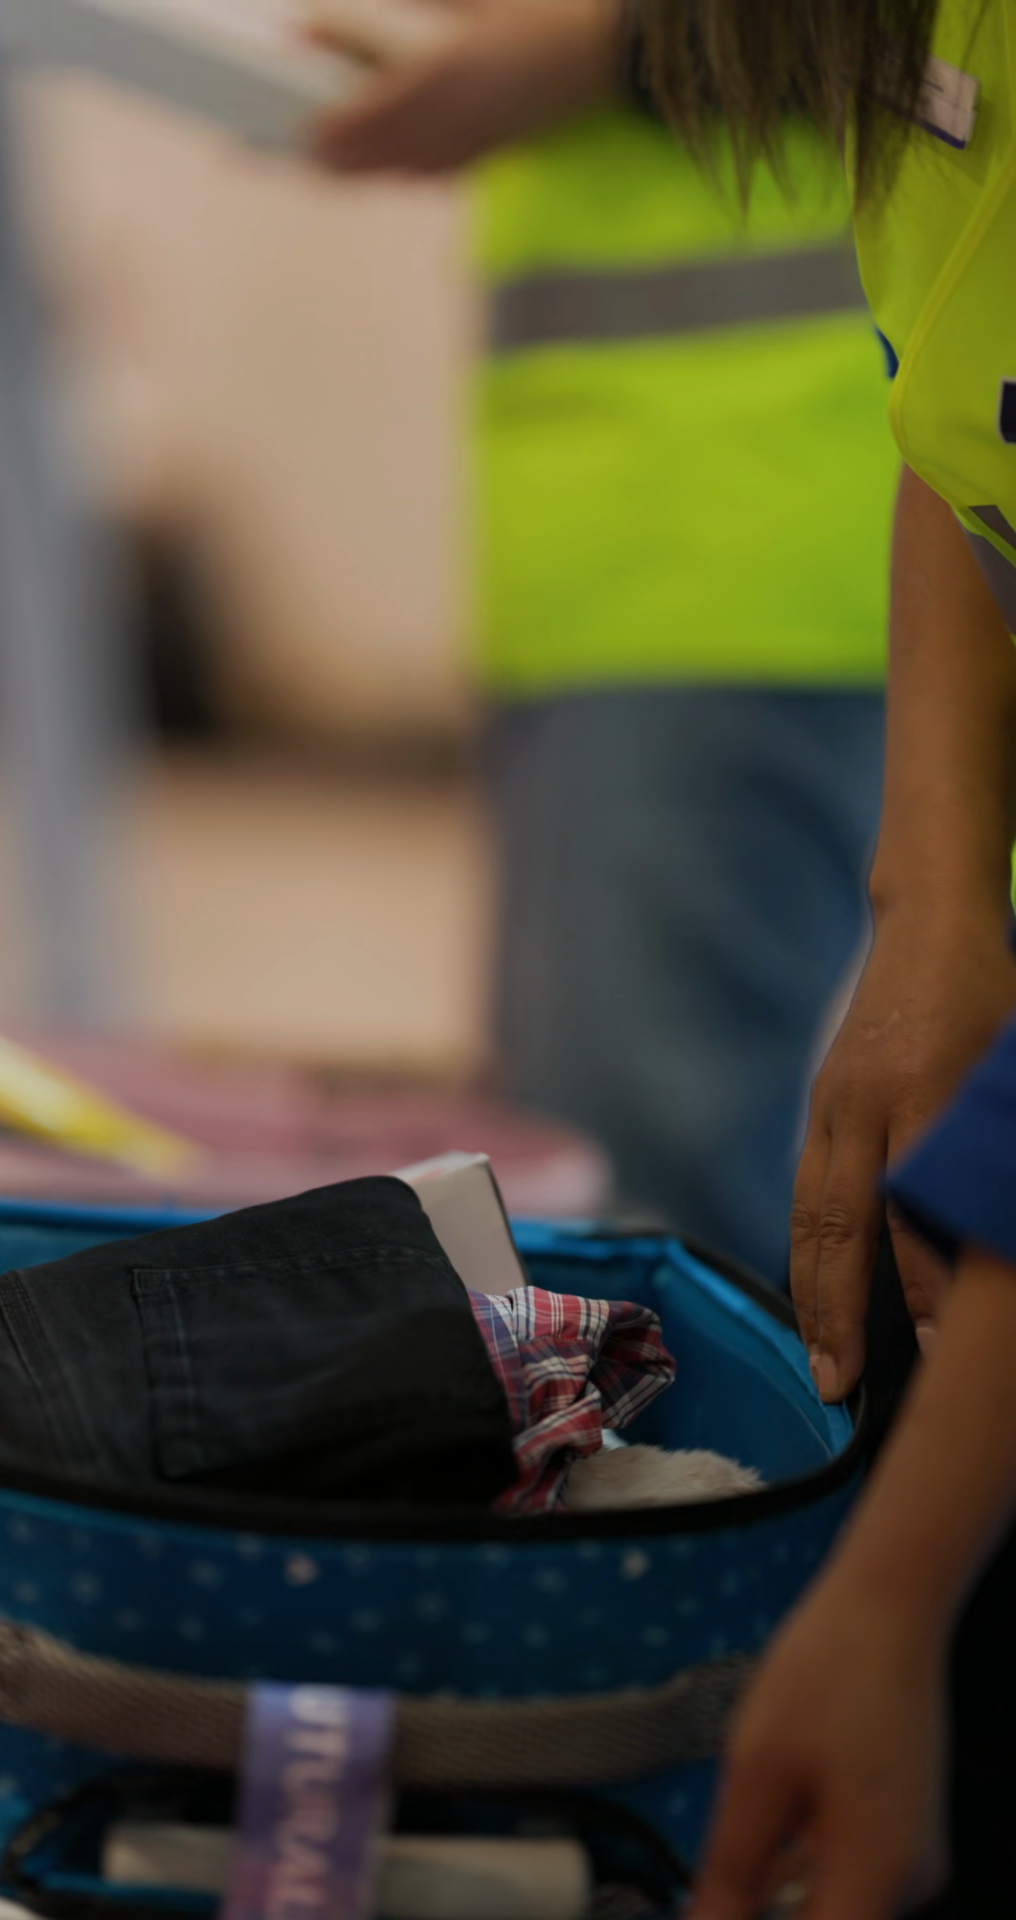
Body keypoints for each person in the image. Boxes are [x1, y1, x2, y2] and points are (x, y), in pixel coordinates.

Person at [314, 1, 1016, 1910]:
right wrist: (933, 896)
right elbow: (955, 436)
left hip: (724, 566)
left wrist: (880, 1610)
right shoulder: (942, 84)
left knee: (712, 1300)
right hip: (694, 579)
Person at [314, 0, 896, 1285]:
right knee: (589, 1213)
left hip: (758, 530)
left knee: (634, 1248)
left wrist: (600, 47)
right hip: (642, 550)